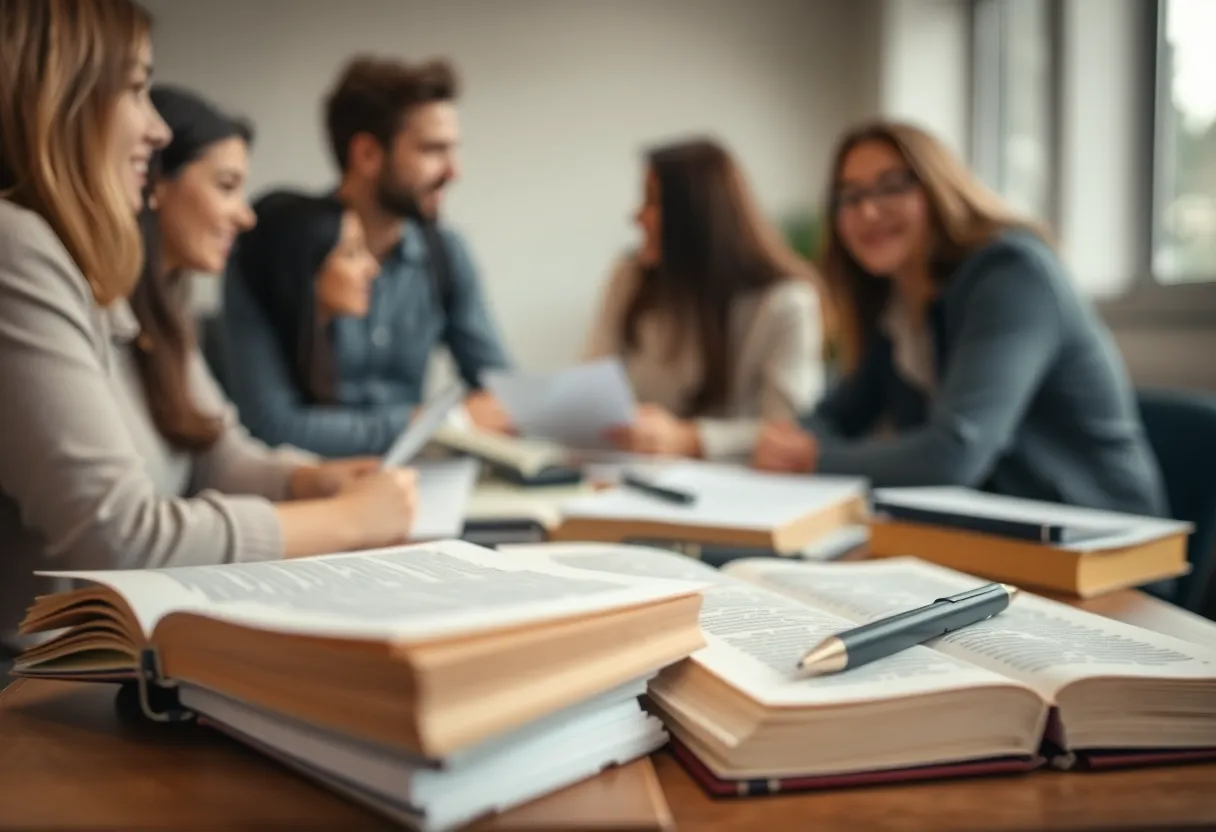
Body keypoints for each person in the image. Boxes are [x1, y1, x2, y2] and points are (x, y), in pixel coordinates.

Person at [0, 0, 419, 660]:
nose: (155, 128)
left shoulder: (135, 295)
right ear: (63, 98)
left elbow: (210, 452)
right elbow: (122, 539)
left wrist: (310, 482)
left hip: (126, 648)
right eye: (136, 88)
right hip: (45, 678)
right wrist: (345, 521)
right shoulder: (15, 247)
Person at [752, 120, 1168, 517]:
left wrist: (812, 457)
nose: (868, 212)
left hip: (1095, 542)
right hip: (987, 536)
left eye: (891, 187)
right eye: (850, 196)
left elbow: (952, 456)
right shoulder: (897, 303)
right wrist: (791, 440)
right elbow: (838, 416)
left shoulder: (1011, 274)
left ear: (937, 187)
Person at [218, 55, 514, 457]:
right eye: (433, 150)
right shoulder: (272, 250)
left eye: (453, 150)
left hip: (416, 478)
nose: (454, 171)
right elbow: (270, 426)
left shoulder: (445, 254)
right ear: (368, 154)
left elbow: (501, 395)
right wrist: (437, 424)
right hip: (307, 487)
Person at [585, 139, 827, 460]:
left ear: (698, 215)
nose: (637, 216)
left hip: (736, 485)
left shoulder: (786, 302)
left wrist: (688, 439)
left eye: (653, 202)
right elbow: (591, 381)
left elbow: (788, 430)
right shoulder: (631, 278)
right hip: (630, 471)